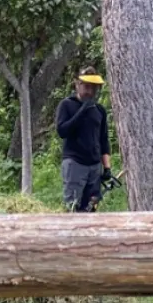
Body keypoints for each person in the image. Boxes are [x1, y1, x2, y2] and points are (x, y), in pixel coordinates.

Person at [54, 67, 113, 212]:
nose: (90, 91)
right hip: (75, 163)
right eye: (87, 87)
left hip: (94, 166)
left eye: (94, 88)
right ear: (77, 85)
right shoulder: (67, 105)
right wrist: (82, 111)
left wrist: (107, 168)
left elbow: (103, 140)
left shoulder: (99, 110)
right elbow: (62, 131)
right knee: (72, 205)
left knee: (91, 207)